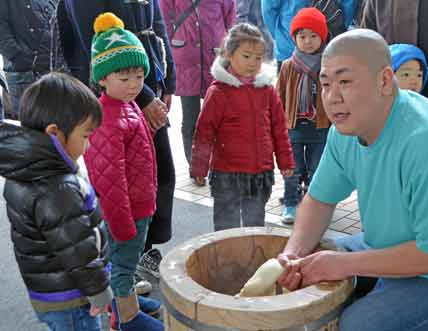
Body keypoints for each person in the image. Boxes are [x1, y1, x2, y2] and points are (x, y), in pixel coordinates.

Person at [277, 29, 428, 330]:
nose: (332, 98)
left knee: (359, 325)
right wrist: (293, 254)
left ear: (384, 80)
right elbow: (319, 200)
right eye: (326, 83)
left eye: (345, 82)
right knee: (313, 262)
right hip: (412, 243)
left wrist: (344, 264)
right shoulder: (346, 128)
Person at [59, 0, 176, 280]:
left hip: (140, 80)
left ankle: (140, 248)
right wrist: (143, 94)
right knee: (121, 177)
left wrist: (167, 78)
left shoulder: (134, 87)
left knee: (155, 169)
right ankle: (124, 262)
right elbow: (93, 42)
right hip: (122, 86)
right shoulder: (113, 105)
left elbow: (157, 23)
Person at [0, 72, 112, 331]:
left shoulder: (26, 169)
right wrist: (99, 292)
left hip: (49, 290)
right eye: (85, 136)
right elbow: (77, 251)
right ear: (55, 133)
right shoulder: (57, 188)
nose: (88, 146)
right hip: (71, 297)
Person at [83, 13, 164, 331]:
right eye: (123, 76)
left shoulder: (126, 106)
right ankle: (127, 318)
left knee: (125, 263)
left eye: (138, 76)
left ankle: (125, 298)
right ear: (102, 78)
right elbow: (109, 180)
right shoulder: (106, 118)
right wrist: (122, 223)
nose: (133, 85)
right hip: (126, 212)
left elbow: (133, 154)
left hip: (138, 204)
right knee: (122, 264)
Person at [190, 23, 295, 231]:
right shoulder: (218, 92)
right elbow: (204, 133)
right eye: (246, 56)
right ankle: (226, 262)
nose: (253, 63)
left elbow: (279, 129)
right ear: (229, 54)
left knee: (255, 227)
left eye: (258, 57)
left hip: (260, 173)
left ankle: (252, 262)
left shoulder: (267, 90)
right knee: (226, 228)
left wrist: (285, 160)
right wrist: (199, 167)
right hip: (226, 174)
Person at [160, 0, 235, 172]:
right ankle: (197, 166)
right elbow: (164, 22)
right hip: (187, 62)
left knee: (219, 117)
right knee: (190, 118)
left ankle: (219, 162)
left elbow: (230, 20)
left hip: (214, 59)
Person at [276, 8, 330, 224]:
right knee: (293, 169)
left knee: (318, 169)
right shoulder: (288, 66)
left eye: (313, 36)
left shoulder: (328, 65)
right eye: (302, 36)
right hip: (294, 127)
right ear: (294, 38)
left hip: (320, 127)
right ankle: (290, 202)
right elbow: (278, 96)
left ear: (322, 37)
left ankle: (312, 204)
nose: (307, 41)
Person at [0, 0, 66, 119]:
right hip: (25, 73)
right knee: (28, 127)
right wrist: (19, 57)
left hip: (52, 70)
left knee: (53, 123)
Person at [262, 0, 309, 72]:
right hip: (289, 47)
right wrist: (279, 34)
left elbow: (268, 10)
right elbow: (268, 10)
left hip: (289, 42)